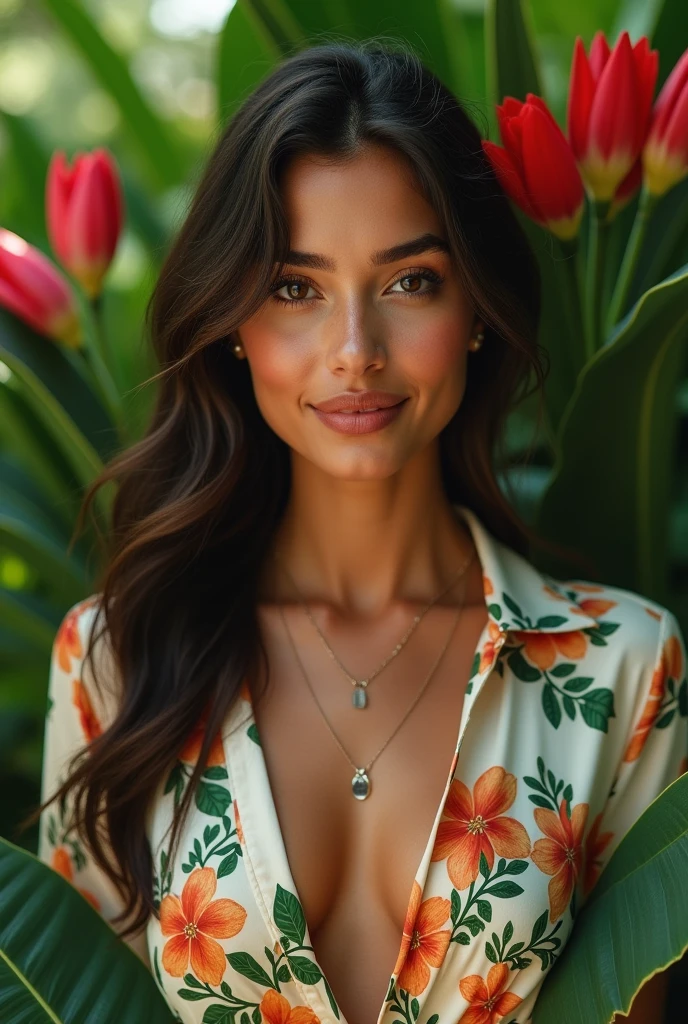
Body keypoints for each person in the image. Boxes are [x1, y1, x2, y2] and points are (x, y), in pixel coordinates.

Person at [30, 39, 686, 1024]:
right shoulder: (116, 660)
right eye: (295, 288)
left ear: (472, 306)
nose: (353, 352)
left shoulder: (620, 673)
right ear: (232, 324)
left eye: (409, 280)